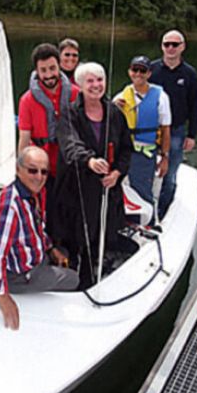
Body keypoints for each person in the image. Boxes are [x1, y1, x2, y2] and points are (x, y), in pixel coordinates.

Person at [55, 62, 135, 289]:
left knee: (100, 237)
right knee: (74, 238)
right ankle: (72, 279)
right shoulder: (69, 114)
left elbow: (127, 150)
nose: (96, 85)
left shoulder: (115, 114)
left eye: (100, 80)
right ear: (79, 85)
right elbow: (70, 145)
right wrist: (89, 160)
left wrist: (117, 173)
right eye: (90, 81)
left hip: (106, 191)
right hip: (76, 191)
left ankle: (93, 278)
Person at [0, 146, 80, 330]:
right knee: (73, 279)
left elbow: (34, 230)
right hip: (20, 275)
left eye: (44, 172)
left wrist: (51, 249)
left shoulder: (28, 195)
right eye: (32, 170)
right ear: (18, 170)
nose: (39, 177)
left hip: (35, 258)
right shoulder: (9, 206)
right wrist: (3, 298)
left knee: (66, 254)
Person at [17, 43, 80, 239]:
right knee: (47, 208)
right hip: (42, 164)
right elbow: (24, 137)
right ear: (36, 71)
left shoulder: (76, 94)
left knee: (71, 208)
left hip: (68, 161)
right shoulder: (27, 100)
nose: (49, 74)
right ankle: (47, 243)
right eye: (43, 70)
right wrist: (20, 168)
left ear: (60, 66)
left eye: (52, 68)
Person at [149, 30, 197, 220]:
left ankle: (163, 213)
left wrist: (192, 134)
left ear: (183, 47)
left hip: (177, 130)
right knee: (145, 171)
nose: (170, 48)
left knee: (169, 175)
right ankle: (145, 212)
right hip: (149, 131)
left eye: (175, 44)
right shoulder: (151, 70)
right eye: (166, 44)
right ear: (162, 46)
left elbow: (195, 105)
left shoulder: (190, 74)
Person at [114, 55, 171, 208]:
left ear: (149, 74)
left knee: (143, 191)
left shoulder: (161, 97)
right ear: (129, 72)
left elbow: (165, 129)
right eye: (135, 70)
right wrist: (114, 108)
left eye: (142, 70)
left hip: (145, 153)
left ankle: (148, 222)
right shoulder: (120, 97)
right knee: (120, 189)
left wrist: (165, 157)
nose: (138, 74)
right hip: (125, 150)